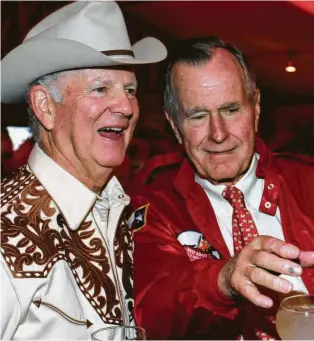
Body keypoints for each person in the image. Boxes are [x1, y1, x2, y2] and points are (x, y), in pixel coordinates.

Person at [129, 36, 314, 340]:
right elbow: (152, 316)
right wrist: (223, 279)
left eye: (230, 110)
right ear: (175, 125)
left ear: (255, 108)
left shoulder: (307, 182)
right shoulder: (157, 207)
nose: (218, 134)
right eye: (198, 116)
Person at [0, 1, 166, 339]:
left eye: (130, 90)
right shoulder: (7, 232)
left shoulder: (123, 210)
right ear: (45, 106)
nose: (126, 107)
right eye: (100, 88)